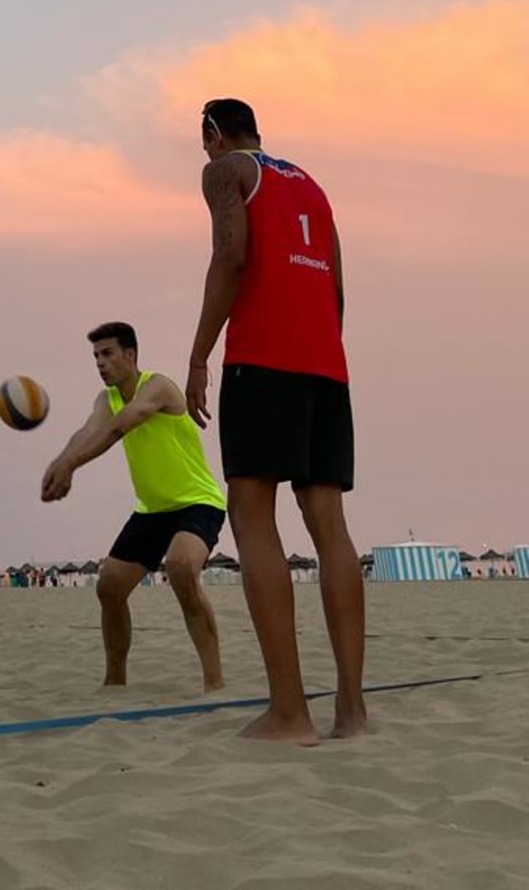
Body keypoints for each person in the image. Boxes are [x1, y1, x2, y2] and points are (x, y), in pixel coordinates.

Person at [185, 99, 365, 744]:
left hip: (263, 359)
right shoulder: (312, 185)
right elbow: (338, 288)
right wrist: (324, 357)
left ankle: (290, 712)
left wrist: (200, 355)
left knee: (252, 512)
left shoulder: (226, 170)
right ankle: (352, 711)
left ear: (213, 132)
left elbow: (231, 255)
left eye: (202, 139)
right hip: (326, 366)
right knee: (330, 528)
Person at [42, 322, 226, 692]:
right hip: (151, 511)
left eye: (107, 353)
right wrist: (60, 460)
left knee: (180, 567)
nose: (100, 363)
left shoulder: (157, 387)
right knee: (108, 587)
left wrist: (71, 466)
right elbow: (88, 431)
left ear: (131, 355)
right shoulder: (105, 398)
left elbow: (119, 428)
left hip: (198, 502)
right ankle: (115, 683)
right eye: (96, 356)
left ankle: (215, 683)